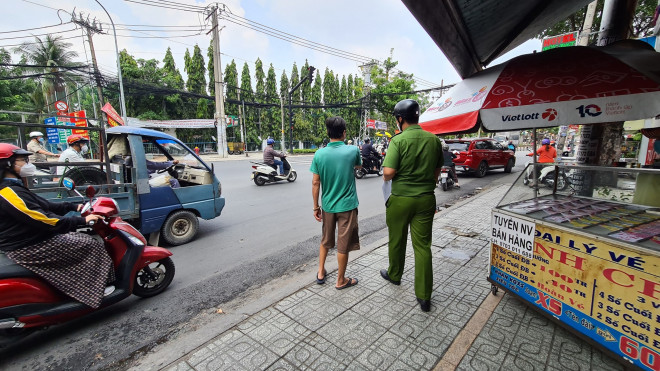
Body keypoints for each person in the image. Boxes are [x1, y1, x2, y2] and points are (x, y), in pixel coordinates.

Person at [0, 143, 114, 308]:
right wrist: (82, 221)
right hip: (30, 245)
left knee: (78, 238)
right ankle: (94, 290)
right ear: (7, 164)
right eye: (22, 160)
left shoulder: (13, 187)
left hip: (32, 239)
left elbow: (44, 205)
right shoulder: (8, 193)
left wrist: (71, 206)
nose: (27, 164)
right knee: (90, 244)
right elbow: (44, 219)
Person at [381, 99, 443, 312]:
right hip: (426, 199)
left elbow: (388, 173)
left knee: (397, 240)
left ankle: (395, 275)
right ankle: (424, 296)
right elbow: (437, 173)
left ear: (400, 119)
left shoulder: (398, 141)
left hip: (401, 199)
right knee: (423, 246)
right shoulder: (434, 140)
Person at [310, 116, 361, 290]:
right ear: (344, 132)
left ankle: (321, 272)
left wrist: (316, 206)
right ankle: (340, 280)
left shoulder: (319, 154)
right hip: (347, 206)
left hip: (328, 206)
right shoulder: (353, 150)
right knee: (343, 243)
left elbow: (315, 182)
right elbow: (358, 167)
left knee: (325, 239)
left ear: (327, 132)